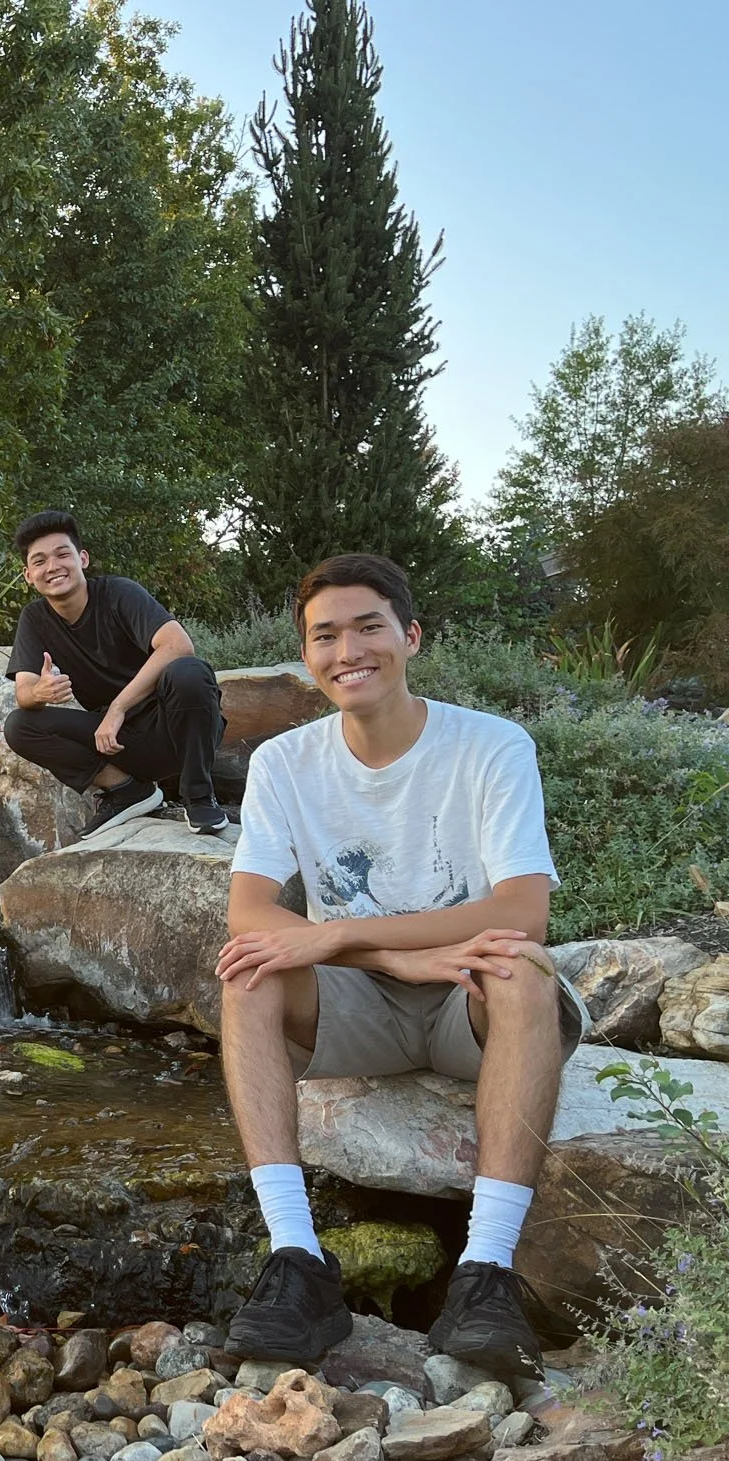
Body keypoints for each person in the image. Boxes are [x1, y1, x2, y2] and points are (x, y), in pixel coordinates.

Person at [218, 553, 588, 1373]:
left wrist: (335, 935)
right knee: (249, 969)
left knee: (522, 966)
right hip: (364, 1007)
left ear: (410, 636)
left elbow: (523, 910)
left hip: (469, 1002)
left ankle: (486, 1272)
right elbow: (250, 913)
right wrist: (382, 952)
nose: (348, 651)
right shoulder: (284, 762)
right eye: (325, 636)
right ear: (307, 656)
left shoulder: (490, 746)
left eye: (368, 627)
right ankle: (297, 1260)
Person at [1, 510, 229, 839]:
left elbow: (178, 645)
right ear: (28, 575)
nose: (52, 567)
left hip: (174, 727)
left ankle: (200, 795)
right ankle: (127, 790)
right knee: (20, 725)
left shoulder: (119, 593)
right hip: (119, 745)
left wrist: (117, 709)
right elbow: (24, 692)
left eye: (62, 554)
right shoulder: (35, 618)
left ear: (82, 558)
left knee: (189, 671)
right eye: (40, 561)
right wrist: (41, 692)